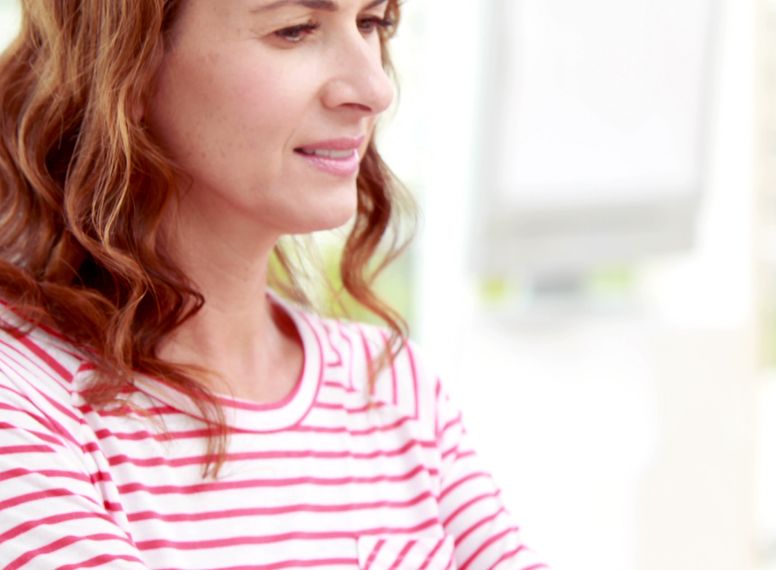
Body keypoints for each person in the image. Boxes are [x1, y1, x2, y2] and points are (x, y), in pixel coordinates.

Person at [0, 0, 546, 568]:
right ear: (125, 67)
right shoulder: (23, 408)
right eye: (296, 29)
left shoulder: (392, 389)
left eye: (372, 23)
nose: (374, 87)